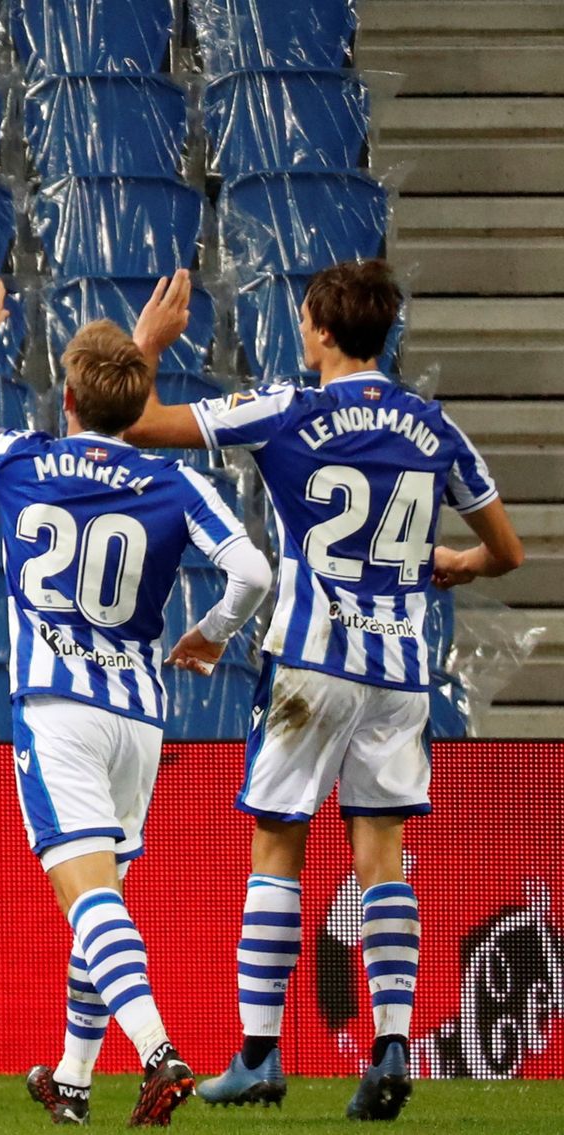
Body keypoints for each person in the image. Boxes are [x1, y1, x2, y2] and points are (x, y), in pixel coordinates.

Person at [123, 260, 525, 1120]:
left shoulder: (290, 409)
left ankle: (261, 1055)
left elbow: (142, 426)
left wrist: (147, 348)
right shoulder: (433, 426)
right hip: (402, 674)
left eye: (304, 319)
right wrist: (453, 561)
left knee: (278, 846)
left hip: (313, 662)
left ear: (322, 329)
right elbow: (508, 550)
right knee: (382, 859)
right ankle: (388, 1047)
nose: (300, 330)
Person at [0, 269, 272, 1126]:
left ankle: (158, 1053)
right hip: (138, 716)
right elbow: (253, 570)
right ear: (137, 397)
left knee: (88, 897)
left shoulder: (24, 460)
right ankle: (75, 1078)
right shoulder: (173, 482)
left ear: (67, 395)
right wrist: (214, 631)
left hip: (56, 707)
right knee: (104, 892)